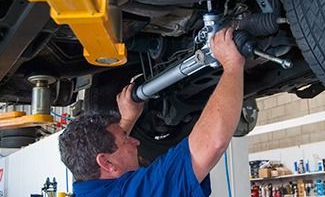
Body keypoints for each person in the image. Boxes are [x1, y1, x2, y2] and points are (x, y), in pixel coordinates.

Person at [59, 27, 245, 196]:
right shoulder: (136, 192)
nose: (135, 141)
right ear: (106, 163)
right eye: (126, 140)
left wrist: (128, 119)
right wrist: (232, 64)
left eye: (126, 136)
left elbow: (106, 152)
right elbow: (211, 143)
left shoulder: (88, 185)